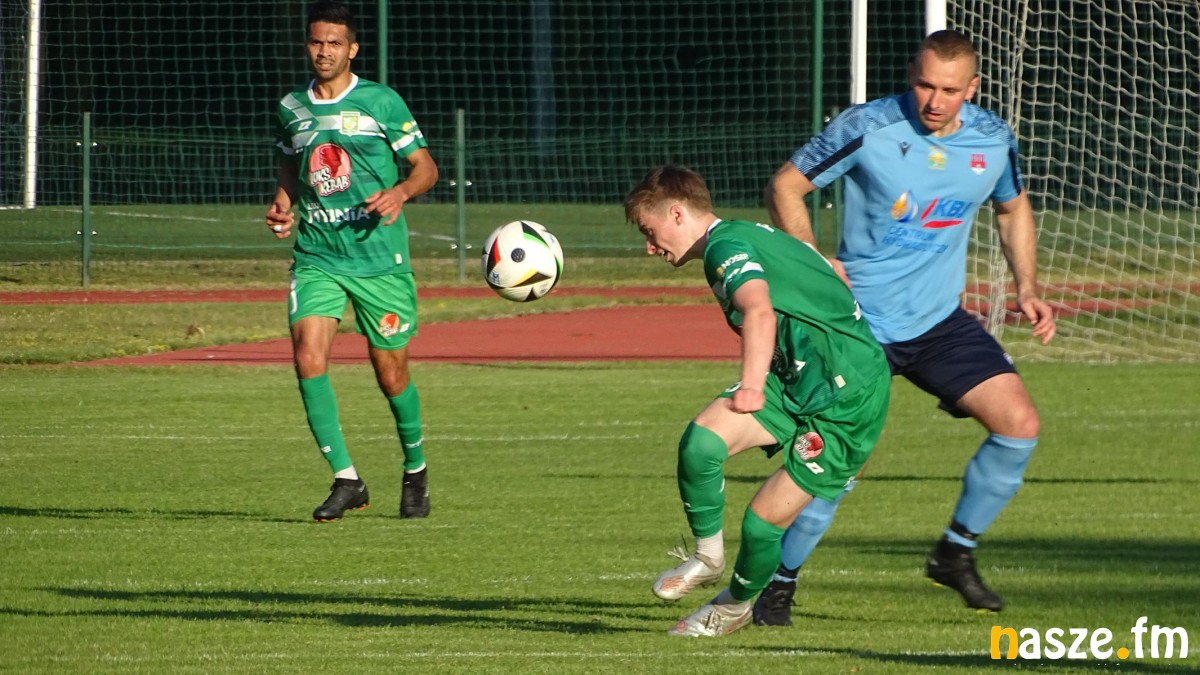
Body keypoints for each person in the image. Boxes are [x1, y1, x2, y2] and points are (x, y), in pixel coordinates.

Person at [756, 29, 1056, 621]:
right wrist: (814, 262)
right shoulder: (868, 127)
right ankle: (776, 584)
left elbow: (1012, 206)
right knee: (842, 461)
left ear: (973, 88)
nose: (934, 100)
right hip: (856, 324)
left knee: (1018, 424)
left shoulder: (993, 140)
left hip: (937, 322)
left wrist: (1027, 287)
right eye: (924, 85)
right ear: (910, 77)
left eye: (949, 90)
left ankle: (954, 553)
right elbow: (786, 187)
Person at [625, 165, 891, 637]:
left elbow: (759, 311)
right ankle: (708, 557)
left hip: (846, 400)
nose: (649, 246)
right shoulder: (740, 235)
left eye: (650, 231)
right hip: (797, 379)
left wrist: (751, 384)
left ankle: (734, 606)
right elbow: (818, 273)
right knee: (701, 444)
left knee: (761, 523)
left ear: (677, 213)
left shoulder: (726, 247)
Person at [265, 0, 439, 521]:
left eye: (334, 43)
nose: (324, 51)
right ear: (307, 45)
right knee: (307, 355)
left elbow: (425, 168)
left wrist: (400, 193)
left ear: (352, 49)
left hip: (379, 260)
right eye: (317, 42)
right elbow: (291, 166)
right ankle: (346, 479)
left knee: (391, 374)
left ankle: (415, 469)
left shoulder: (381, 102)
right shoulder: (291, 107)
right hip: (317, 256)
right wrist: (282, 204)